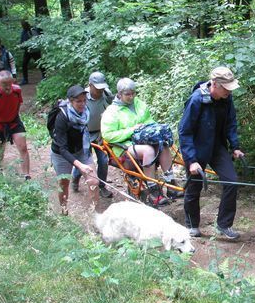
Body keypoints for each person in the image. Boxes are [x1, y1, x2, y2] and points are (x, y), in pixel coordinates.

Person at [178, 66, 245, 240]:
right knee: (194, 187)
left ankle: (224, 224)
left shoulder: (226, 98)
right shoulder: (196, 100)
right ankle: (192, 225)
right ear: (215, 84)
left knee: (232, 181)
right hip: (197, 148)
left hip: (217, 147)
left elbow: (231, 123)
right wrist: (191, 160)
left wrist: (235, 146)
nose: (229, 92)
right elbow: (185, 132)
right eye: (226, 88)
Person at [100, 78, 177, 206]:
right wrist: (132, 130)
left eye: (133, 93)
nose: (131, 97)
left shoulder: (139, 104)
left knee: (163, 144)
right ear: (119, 94)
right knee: (149, 151)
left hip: (143, 140)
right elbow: (108, 135)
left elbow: (149, 121)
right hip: (124, 146)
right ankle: (154, 191)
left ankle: (171, 184)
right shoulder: (112, 112)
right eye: (127, 94)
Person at [51, 85, 100, 215]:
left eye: (84, 100)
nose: (82, 104)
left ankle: (94, 215)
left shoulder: (85, 112)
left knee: (94, 181)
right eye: (78, 101)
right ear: (70, 101)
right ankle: (64, 211)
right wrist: (79, 165)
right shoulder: (62, 117)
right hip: (61, 153)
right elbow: (62, 148)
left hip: (81, 149)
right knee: (64, 183)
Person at [71, 72, 114, 198]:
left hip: (101, 134)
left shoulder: (107, 94)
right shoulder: (81, 97)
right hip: (84, 134)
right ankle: (75, 178)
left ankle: (101, 186)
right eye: (97, 88)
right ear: (90, 85)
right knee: (84, 161)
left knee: (103, 160)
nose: (100, 91)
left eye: (102, 87)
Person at [0, 70, 31, 179]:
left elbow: (18, 103)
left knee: (23, 147)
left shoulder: (17, 90)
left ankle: (26, 176)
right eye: (4, 84)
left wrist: (14, 115)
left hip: (14, 121)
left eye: (10, 84)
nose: (8, 87)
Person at [19, 20, 46, 85]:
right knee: (24, 64)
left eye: (23, 25)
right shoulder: (24, 31)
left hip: (35, 50)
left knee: (40, 63)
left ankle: (44, 77)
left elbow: (40, 36)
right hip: (28, 51)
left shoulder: (34, 29)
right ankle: (25, 79)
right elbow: (22, 41)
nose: (23, 26)